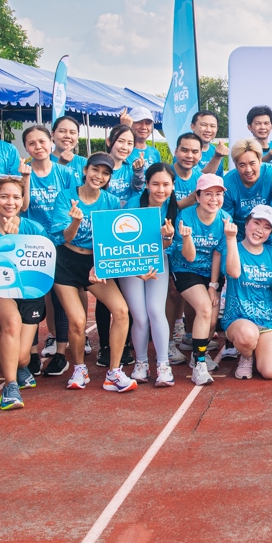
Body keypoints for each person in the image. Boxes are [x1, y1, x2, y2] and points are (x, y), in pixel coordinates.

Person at [52, 152, 137, 392]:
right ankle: (79, 368)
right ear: (85, 170)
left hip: (94, 262)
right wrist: (76, 222)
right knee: (78, 320)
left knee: (121, 311)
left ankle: (114, 372)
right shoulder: (65, 196)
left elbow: (110, 240)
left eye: (105, 173)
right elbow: (64, 237)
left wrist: (99, 265)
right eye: (95, 170)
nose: (99, 176)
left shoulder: (111, 202)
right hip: (65, 261)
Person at [0, 177, 50, 409]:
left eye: (16, 197)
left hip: (29, 291)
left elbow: (42, 266)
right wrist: (9, 242)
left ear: (23, 201)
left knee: (23, 357)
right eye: (4, 197)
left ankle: (15, 359)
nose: (10, 202)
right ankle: (10, 386)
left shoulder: (35, 229)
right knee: (12, 321)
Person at [117, 163, 179, 387]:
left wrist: (167, 237)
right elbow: (121, 240)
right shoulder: (134, 204)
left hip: (157, 262)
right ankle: (141, 362)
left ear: (173, 186)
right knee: (140, 316)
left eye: (165, 184)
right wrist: (136, 266)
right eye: (155, 184)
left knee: (155, 310)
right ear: (147, 185)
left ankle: (163, 364)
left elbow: (169, 246)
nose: (160, 190)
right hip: (131, 263)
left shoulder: (173, 208)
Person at [22, 124, 78, 371]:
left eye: (42, 141)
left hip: (60, 244)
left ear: (51, 142)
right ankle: (33, 353)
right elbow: (23, 208)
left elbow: (73, 205)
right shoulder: (23, 173)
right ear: (26, 147)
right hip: (32, 245)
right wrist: (24, 179)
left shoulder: (65, 174)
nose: (38, 147)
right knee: (31, 298)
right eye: (32, 143)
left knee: (60, 298)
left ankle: (61, 353)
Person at [221, 206, 272, 380]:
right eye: (256, 223)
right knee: (247, 335)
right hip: (239, 318)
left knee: (270, 372)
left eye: (267, 227)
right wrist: (230, 238)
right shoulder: (232, 247)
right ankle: (246, 355)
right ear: (246, 224)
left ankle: (256, 348)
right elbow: (234, 273)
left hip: (269, 319)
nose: (260, 230)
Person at [172, 173, 227, 385]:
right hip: (186, 268)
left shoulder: (225, 219)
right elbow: (189, 256)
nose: (214, 199)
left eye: (218, 194)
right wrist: (187, 237)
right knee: (204, 309)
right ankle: (200, 364)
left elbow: (218, 253)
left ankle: (198, 355)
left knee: (212, 319)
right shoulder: (186, 216)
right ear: (198, 197)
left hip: (210, 272)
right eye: (208, 194)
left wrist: (213, 285)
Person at [223, 140, 272, 227]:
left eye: (252, 163)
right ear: (236, 166)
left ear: (260, 161)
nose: (248, 170)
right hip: (240, 231)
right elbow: (227, 219)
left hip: (268, 229)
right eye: (242, 165)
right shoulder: (227, 183)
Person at [100, 123, 142, 202]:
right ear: (109, 141)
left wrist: (138, 172)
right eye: (120, 141)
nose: (125, 147)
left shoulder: (132, 169)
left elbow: (138, 189)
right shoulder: (98, 168)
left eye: (129, 143)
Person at [172, 132, 205, 203]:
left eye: (194, 152)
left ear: (200, 155)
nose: (189, 156)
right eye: (184, 150)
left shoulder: (201, 179)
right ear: (176, 152)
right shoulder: (164, 176)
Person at [193, 110, 229, 175]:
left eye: (212, 126)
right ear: (193, 127)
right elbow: (198, 178)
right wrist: (217, 157)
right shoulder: (185, 151)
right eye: (204, 125)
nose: (208, 130)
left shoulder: (216, 150)